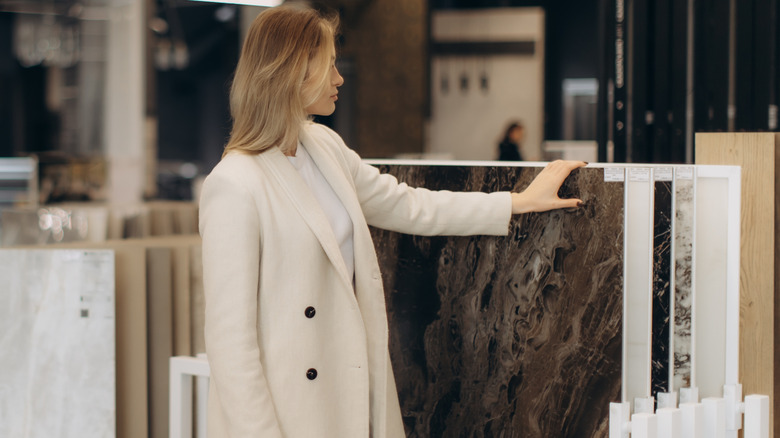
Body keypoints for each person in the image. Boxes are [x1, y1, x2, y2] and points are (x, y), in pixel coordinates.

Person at [198, 5, 585, 438]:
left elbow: (408, 205)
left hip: (350, 393)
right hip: (287, 413)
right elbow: (231, 345)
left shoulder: (323, 146)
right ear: (294, 73)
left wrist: (515, 203)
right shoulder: (234, 184)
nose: (339, 78)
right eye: (329, 67)